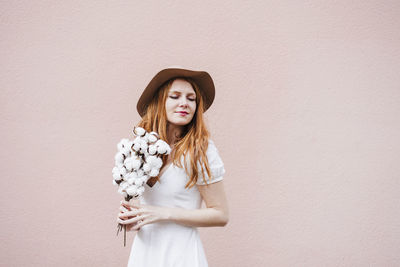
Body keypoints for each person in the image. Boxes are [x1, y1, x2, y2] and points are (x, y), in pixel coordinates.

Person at [117, 66, 229, 267]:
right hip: (144, 254)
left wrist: (163, 213)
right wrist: (131, 216)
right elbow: (145, 207)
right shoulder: (143, 147)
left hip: (182, 255)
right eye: (175, 96)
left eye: (191, 98)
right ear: (160, 102)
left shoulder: (201, 149)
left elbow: (220, 214)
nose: (184, 103)